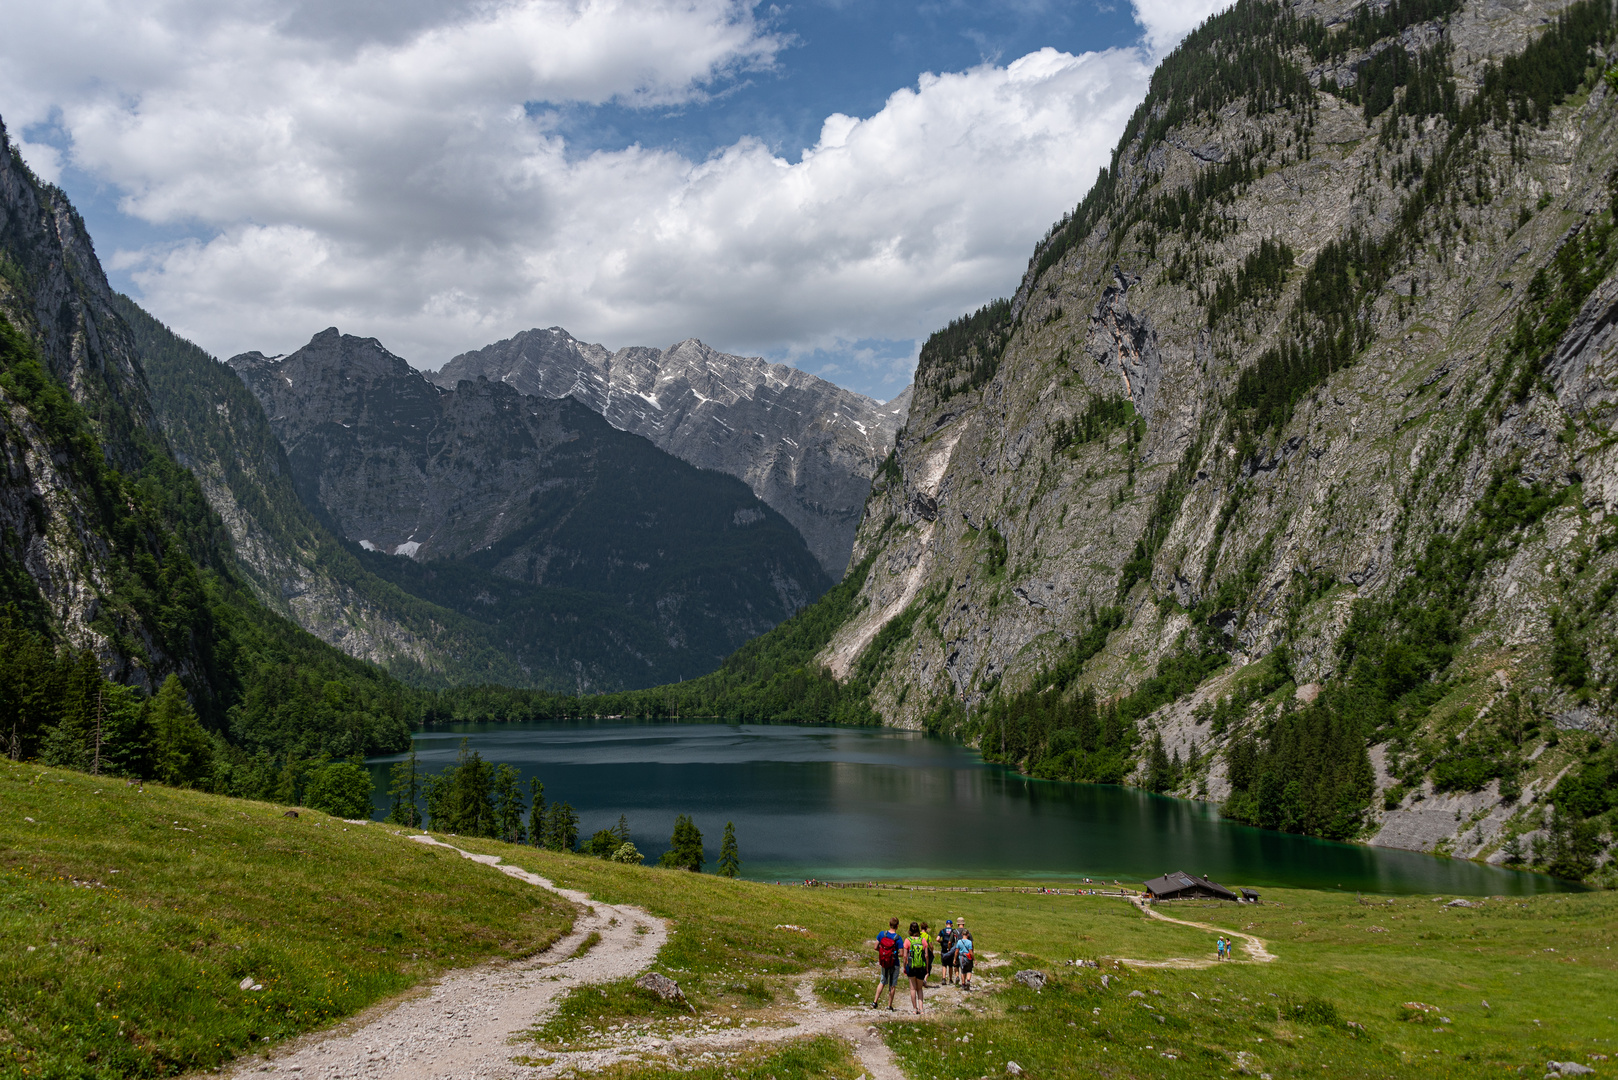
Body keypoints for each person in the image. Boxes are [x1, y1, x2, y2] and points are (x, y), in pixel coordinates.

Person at [873, 917, 902, 1010]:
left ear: (889, 924)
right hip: (894, 963)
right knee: (892, 985)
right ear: (897, 926)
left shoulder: (882, 934)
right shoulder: (898, 938)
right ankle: (889, 1005)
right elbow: (901, 953)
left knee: (882, 981)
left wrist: (883, 952)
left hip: (884, 961)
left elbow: (875, 947)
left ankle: (875, 1002)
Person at [903, 921, 929, 1014]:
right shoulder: (923, 940)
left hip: (911, 966)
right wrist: (926, 967)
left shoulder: (907, 940)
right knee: (920, 988)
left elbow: (905, 956)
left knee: (912, 988)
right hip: (921, 967)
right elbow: (926, 955)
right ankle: (921, 1009)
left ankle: (914, 1008)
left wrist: (904, 966)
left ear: (910, 930)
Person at [954, 925, 975, 992]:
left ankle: (963, 984)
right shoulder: (970, 942)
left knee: (963, 970)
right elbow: (971, 952)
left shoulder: (959, 942)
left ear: (962, 934)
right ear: (968, 935)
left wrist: (954, 959)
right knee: (969, 970)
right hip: (968, 957)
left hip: (961, 957)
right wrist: (974, 959)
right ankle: (968, 980)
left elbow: (956, 951)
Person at [938, 919, 958, 986]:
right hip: (951, 949)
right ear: (951, 925)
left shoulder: (942, 931)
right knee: (950, 965)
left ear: (946, 924)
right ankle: (950, 979)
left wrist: (941, 942)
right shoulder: (953, 931)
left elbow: (937, 939)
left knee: (944, 964)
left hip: (944, 949)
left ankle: (943, 978)